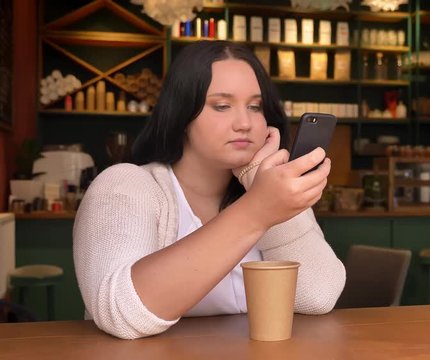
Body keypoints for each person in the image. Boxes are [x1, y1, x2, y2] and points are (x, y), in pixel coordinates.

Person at [73, 40, 346, 340]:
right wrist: (257, 211)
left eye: (255, 106)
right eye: (222, 106)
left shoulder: (268, 191)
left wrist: (259, 185)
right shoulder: (126, 186)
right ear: (183, 114)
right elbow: (121, 313)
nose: (244, 123)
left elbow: (318, 294)